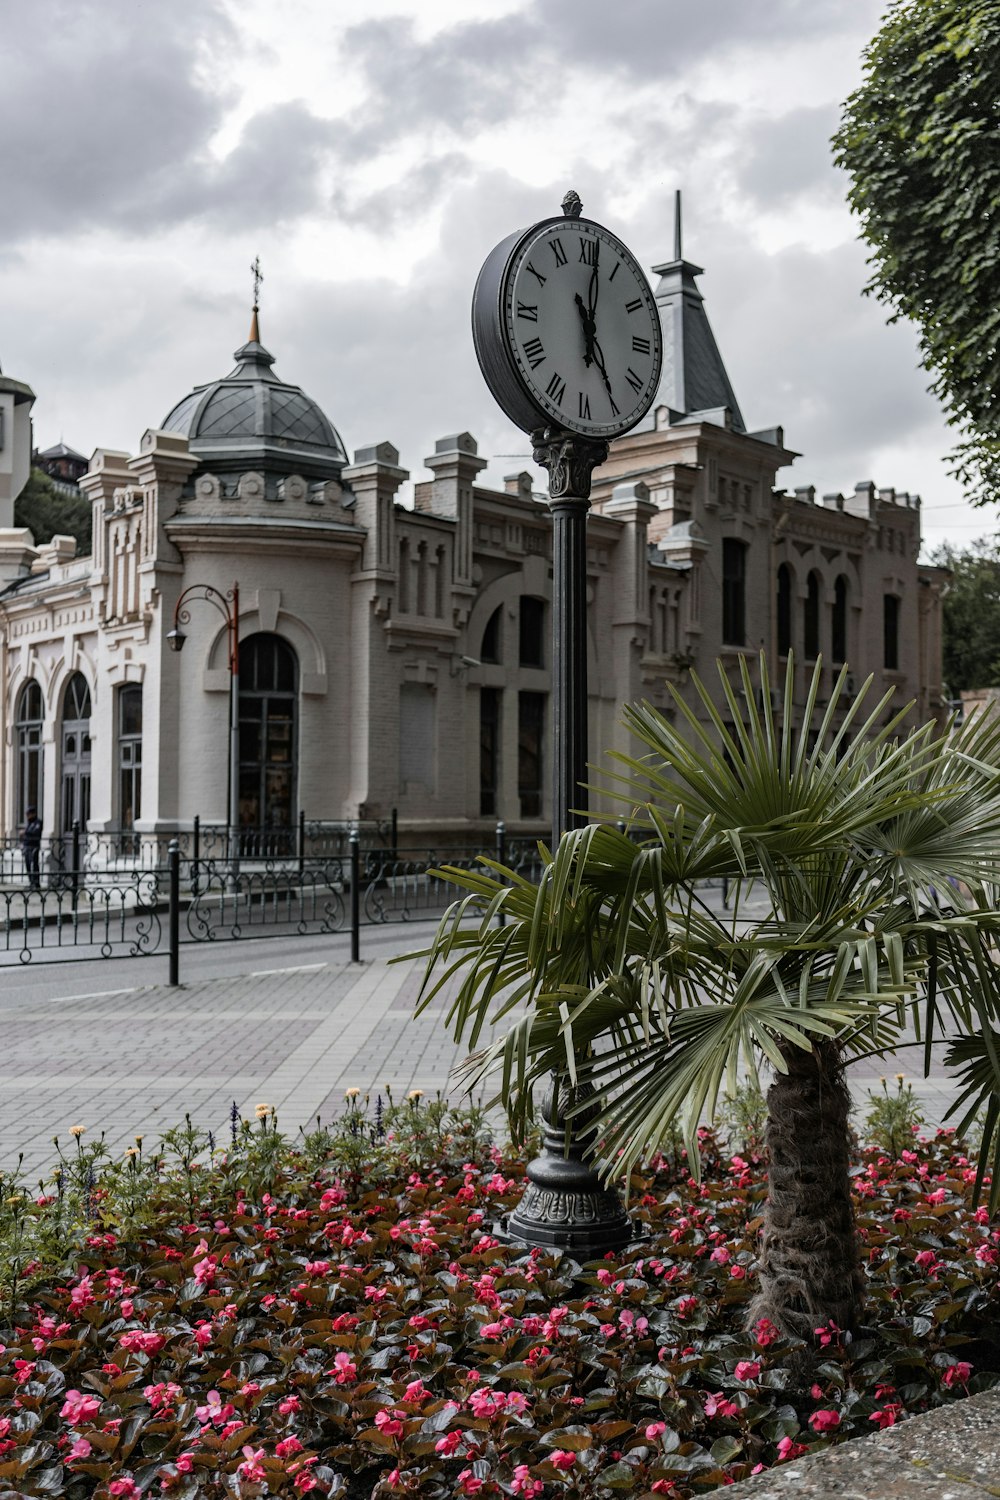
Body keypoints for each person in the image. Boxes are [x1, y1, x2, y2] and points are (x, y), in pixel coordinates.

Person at [21, 805, 42, 891]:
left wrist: (25, 832)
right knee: (28, 865)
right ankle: (31, 882)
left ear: (33, 814)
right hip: (27, 847)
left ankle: (36, 883)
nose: (27, 816)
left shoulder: (38, 822)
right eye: (27, 814)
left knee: (34, 865)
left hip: (34, 847)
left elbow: (36, 832)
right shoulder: (29, 823)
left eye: (29, 814)